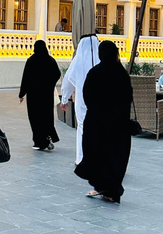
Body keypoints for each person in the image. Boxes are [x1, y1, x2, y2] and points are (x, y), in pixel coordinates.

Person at [75, 40, 133, 204]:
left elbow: (87, 96)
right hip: (119, 126)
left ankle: (101, 186)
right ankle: (112, 190)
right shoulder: (122, 74)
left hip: (97, 124)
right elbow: (127, 98)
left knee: (97, 156)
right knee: (116, 157)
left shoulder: (95, 73)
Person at [60, 34, 99, 165]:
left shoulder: (78, 61)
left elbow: (68, 81)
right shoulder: (103, 60)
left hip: (83, 100)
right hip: (101, 102)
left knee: (83, 127)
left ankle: (82, 158)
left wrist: (64, 99)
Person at [19, 40, 61, 151]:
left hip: (33, 95)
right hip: (46, 95)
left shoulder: (31, 61)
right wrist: (49, 84)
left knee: (35, 117)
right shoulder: (50, 60)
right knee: (46, 116)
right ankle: (47, 137)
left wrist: (22, 93)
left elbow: (26, 78)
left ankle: (39, 141)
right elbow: (57, 73)